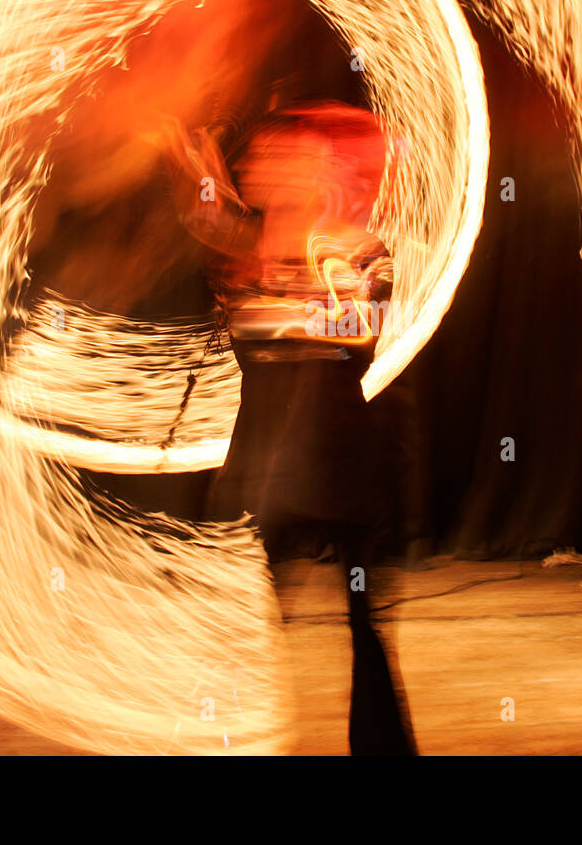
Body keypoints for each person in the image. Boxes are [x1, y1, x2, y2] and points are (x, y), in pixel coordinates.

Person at [167, 101, 416, 755]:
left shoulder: (361, 252)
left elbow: (356, 340)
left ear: (319, 172)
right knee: (251, 630)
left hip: (343, 463)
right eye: (258, 157)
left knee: (364, 626)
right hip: (270, 462)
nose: (261, 166)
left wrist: (276, 293)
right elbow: (249, 339)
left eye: (285, 157)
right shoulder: (239, 258)